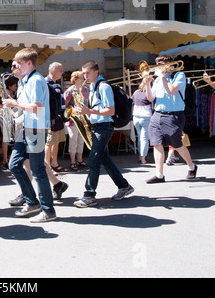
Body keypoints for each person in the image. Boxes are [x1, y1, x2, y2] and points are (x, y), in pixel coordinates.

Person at [3, 48, 56, 222]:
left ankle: (48, 210)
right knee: (14, 165)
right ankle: (32, 201)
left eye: (18, 63)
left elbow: (36, 106)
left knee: (38, 170)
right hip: (28, 129)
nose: (15, 66)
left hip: (36, 130)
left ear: (29, 63)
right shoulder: (25, 81)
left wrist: (14, 103)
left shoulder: (34, 80)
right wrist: (18, 117)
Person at [73, 60, 134, 208]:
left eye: (87, 73)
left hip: (104, 127)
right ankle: (124, 186)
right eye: (83, 73)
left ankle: (89, 195)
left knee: (94, 160)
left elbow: (110, 111)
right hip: (97, 126)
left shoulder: (104, 87)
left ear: (96, 72)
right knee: (105, 159)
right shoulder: (93, 86)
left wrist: (89, 111)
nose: (85, 76)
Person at [144, 55, 197, 183]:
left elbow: (172, 90)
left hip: (173, 115)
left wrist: (162, 77)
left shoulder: (178, 76)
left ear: (169, 64)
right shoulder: (157, 80)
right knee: (157, 144)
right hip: (157, 114)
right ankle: (159, 174)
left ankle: (191, 166)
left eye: (161, 64)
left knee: (176, 144)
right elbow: (150, 98)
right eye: (157, 64)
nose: (158, 66)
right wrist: (147, 84)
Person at [64, 70, 89, 171]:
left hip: (83, 118)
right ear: (75, 79)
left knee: (81, 140)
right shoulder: (70, 90)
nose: (83, 79)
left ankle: (80, 159)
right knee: (73, 139)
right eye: (81, 77)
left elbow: (86, 103)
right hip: (73, 119)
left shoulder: (85, 90)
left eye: (83, 77)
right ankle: (73, 162)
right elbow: (65, 106)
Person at [45, 62, 67, 173]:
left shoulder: (57, 85)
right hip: (49, 119)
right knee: (49, 143)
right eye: (60, 70)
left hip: (59, 118)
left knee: (57, 141)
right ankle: (47, 166)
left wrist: (64, 115)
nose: (62, 72)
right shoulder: (45, 83)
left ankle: (55, 163)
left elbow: (62, 101)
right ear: (53, 70)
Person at [132, 79, 153, 164]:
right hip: (146, 116)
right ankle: (143, 158)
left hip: (136, 116)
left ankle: (141, 156)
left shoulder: (136, 92)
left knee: (140, 137)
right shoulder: (149, 94)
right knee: (144, 138)